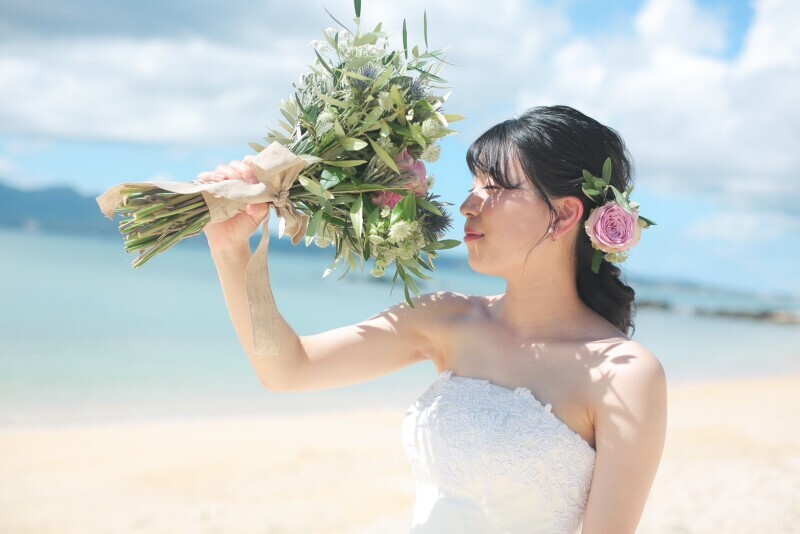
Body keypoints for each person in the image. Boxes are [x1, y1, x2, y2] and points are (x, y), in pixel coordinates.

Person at [197, 105, 668, 533]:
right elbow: (288, 369)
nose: (467, 205)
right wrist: (230, 252)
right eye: (472, 187)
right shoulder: (444, 317)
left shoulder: (625, 375)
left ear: (565, 214)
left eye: (496, 188)